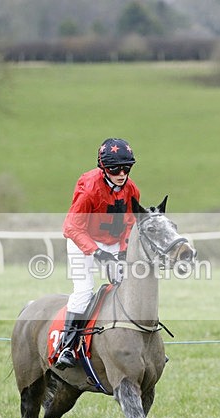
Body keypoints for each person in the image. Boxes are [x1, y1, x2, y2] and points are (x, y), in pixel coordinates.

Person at [54, 138, 141, 369]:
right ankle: (67, 346)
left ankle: (141, 344)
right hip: (82, 240)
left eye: (127, 168)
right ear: (103, 168)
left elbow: (130, 222)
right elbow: (71, 227)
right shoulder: (90, 188)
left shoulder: (132, 189)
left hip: (112, 243)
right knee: (84, 291)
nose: (122, 174)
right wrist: (97, 253)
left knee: (131, 285)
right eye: (116, 169)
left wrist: (123, 252)